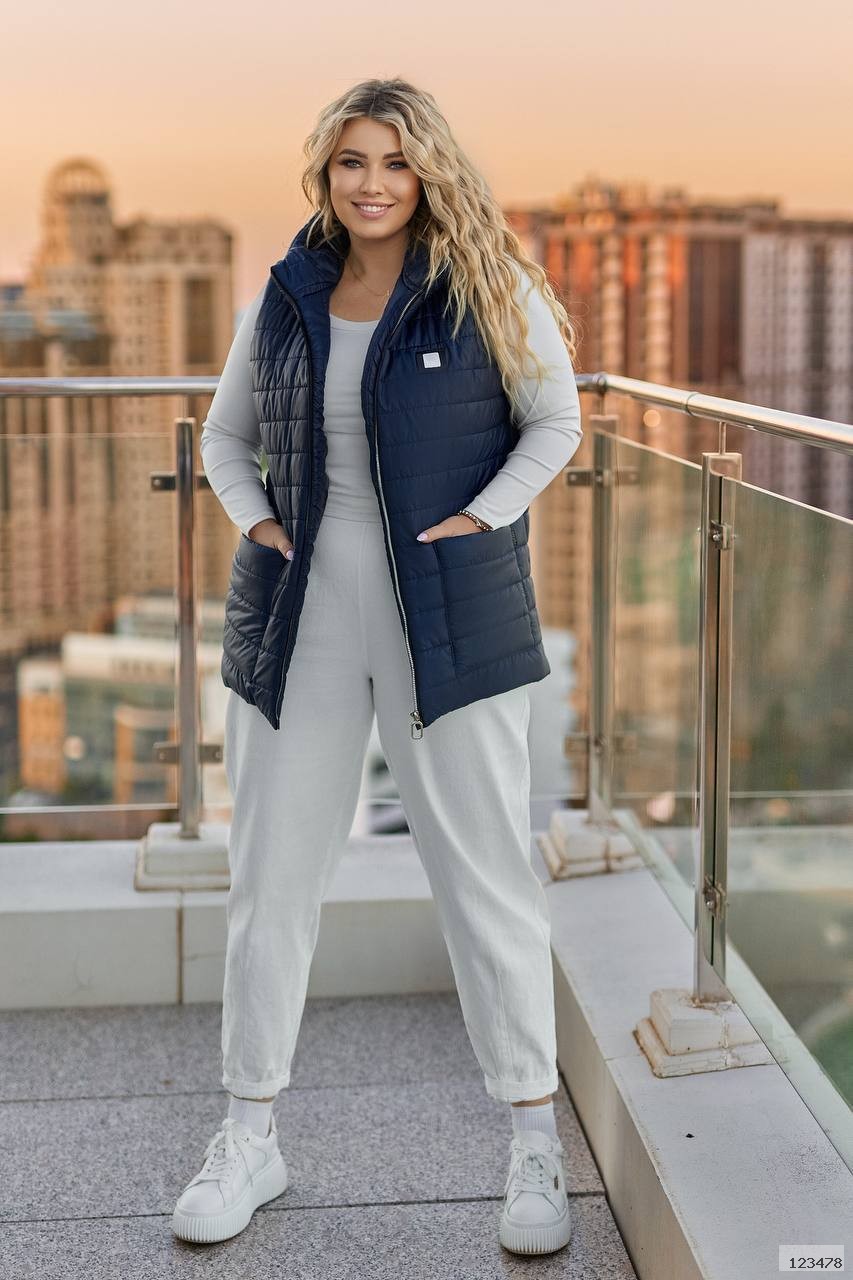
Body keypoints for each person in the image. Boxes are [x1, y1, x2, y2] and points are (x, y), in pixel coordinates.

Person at [172, 77, 582, 1257]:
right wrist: (256, 521)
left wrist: (480, 518)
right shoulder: (288, 290)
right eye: (352, 160)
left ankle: (533, 1145)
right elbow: (223, 434)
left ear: (427, 171)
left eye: (394, 162)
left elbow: (555, 421)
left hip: (447, 611)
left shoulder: (485, 282)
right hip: (298, 609)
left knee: (486, 874)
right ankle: (250, 1133)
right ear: (325, 170)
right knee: (270, 879)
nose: (372, 183)